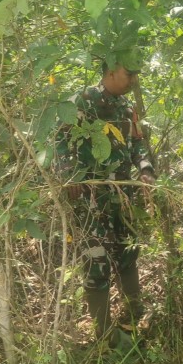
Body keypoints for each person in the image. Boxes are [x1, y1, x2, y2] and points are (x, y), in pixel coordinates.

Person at [55, 52, 156, 343]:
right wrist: (69, 174)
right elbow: (60, 139)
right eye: (129, 74)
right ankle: (104, 334)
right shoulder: (83, 101)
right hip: (92, 199)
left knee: (128, 253)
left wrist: (146, 169)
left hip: (123, 196)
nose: (134, 80)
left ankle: (135, 312)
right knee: (96, 261)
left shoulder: (126, 107)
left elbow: (137, 143)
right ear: (111, 71)